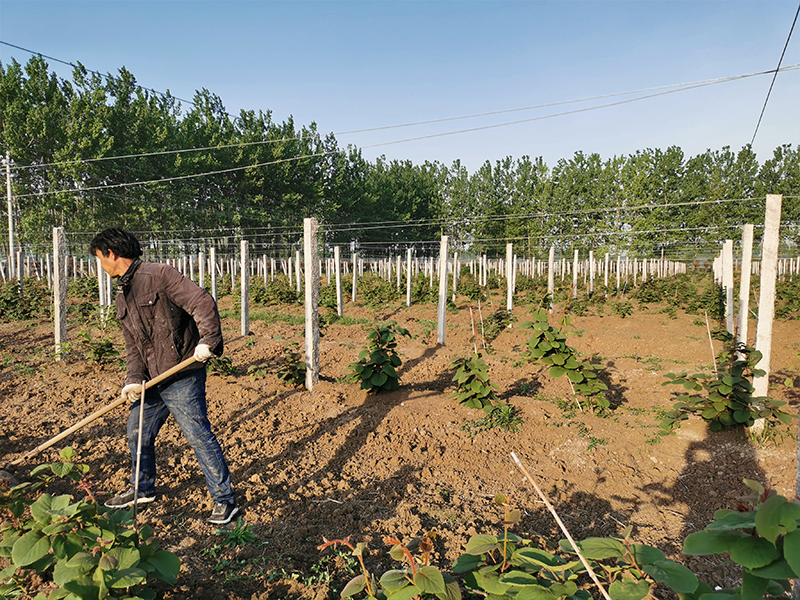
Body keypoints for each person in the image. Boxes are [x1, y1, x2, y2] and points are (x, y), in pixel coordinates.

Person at [89, 228, 238, 525]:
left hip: (182, 372)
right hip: (153, 381)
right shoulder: (123, 298)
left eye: (98, 259)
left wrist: (208, 340)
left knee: (197, 435)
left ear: (111, 254)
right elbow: (134, 345)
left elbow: (202, 301)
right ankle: (142, 488)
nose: (100, 266)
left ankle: (225, 501)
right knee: (137, 429)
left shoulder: (161, 275)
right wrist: (133, 378)